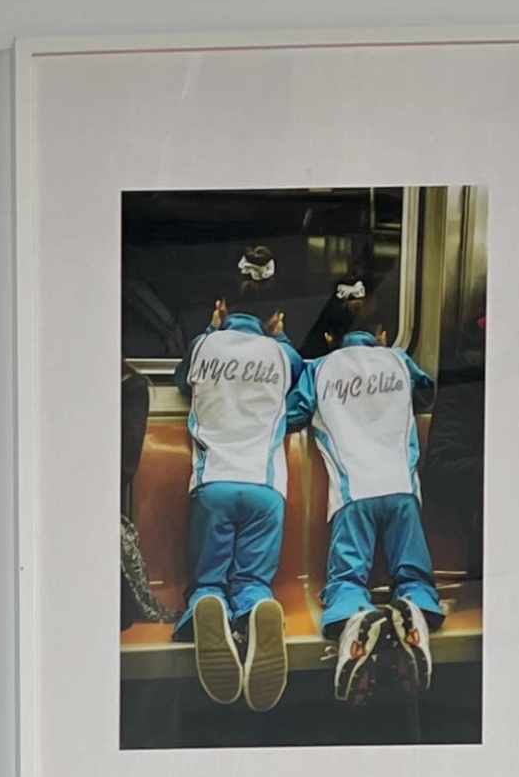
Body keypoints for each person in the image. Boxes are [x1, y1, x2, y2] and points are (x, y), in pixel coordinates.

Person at [172, 278, 311, 710]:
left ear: (222, 305)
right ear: (274, 318)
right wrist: (281, 336)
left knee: (209, 577)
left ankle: (208, 603)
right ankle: (255, 605)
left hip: (214, 482)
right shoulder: (282, 354)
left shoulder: (203, 346)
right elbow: (298, 377)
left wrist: (214, 331)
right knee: (252, 578)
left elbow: (181, 380)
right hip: (265, 487)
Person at [305, 286, 442, 699]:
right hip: (401, 489)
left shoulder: (319, 369)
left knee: (347, 577)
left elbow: (294, 410)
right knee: (413, 571)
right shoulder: (398, 360)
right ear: (383, 333)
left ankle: (354, 616)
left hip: (354, 494)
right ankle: (416, 610)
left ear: (329, 337)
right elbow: (425, 391)